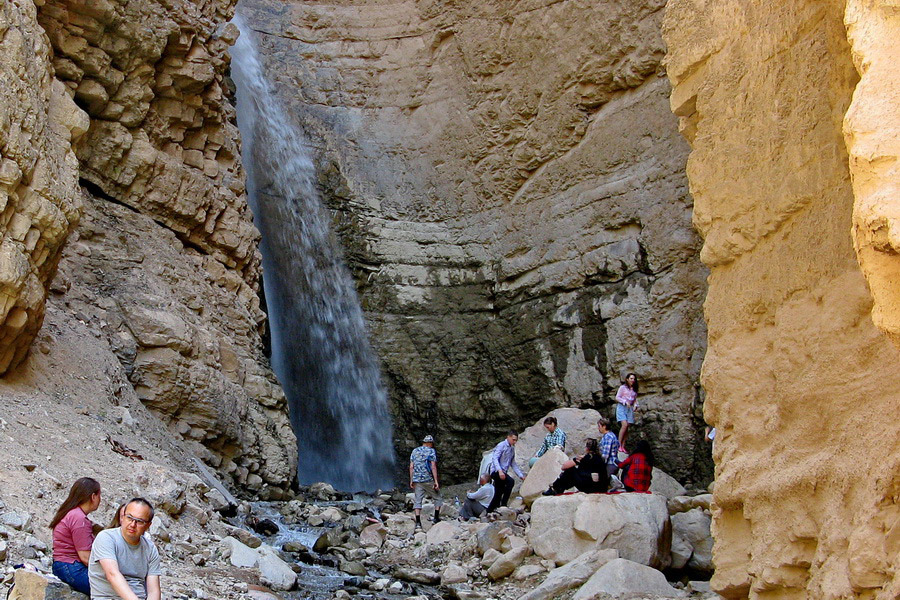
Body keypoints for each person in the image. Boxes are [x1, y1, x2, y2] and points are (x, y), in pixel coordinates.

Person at [89, 498, 161, 600]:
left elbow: (153, 590)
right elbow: (112, 574)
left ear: (148, 525)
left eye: (139, 521)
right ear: (122, 517)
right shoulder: (106, 538)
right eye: (129, 518)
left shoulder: (150, 548)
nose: (132, 524)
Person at [50, 477, 103, 595]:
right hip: (71, 567)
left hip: (62, 565)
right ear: (93, 497)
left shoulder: (71, 513)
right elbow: (85, 556)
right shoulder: (79, 519)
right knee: (111, 588)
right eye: (99, 496)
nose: (100, 500)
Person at [542, 438, 609, 495]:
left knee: (570, 471)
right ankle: (558, 488)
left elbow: (564, 466)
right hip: (601, 487)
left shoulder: (587, 458)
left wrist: (576, 459)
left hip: (592, 487)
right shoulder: (599, 458)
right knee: (575, 473)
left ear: (587, 448)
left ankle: (555, 488)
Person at [409, 434, 442, 529]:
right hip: (428, 479)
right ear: (430, 443)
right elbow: (433, 466)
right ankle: (436, 518)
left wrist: (411, 480)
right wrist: (436, 481)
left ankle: (418, 523)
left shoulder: (414, 451)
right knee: (438, 497)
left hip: (417, 480)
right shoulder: (431, 451)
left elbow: (411, 467)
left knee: (418, 500)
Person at [487, 430, 525, 512]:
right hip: (496, 471)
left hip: (503, 472)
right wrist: (499, 470)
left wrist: (521, 475)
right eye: (513, 439)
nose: (514, 442)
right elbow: (495, 458)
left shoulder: (512, 449)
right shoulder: (501, 445)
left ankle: (489, 511)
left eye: (516, 440)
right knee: (510, 482)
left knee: (498, 493)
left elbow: (513, 463)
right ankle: (503, 504)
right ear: (508, 437)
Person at [615, 373, 639, 453]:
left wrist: (635, 405)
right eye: (631, 378)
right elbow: (617, 397)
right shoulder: (622, 388)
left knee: (627, 427)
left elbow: (635, 399)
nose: (633, 380)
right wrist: (625, 402)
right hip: (622, 407)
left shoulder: (634, 389)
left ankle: (623, 445)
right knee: (624, 425)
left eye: (634, 379)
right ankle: (619, 444)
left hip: (630, 409)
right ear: (627, 379)